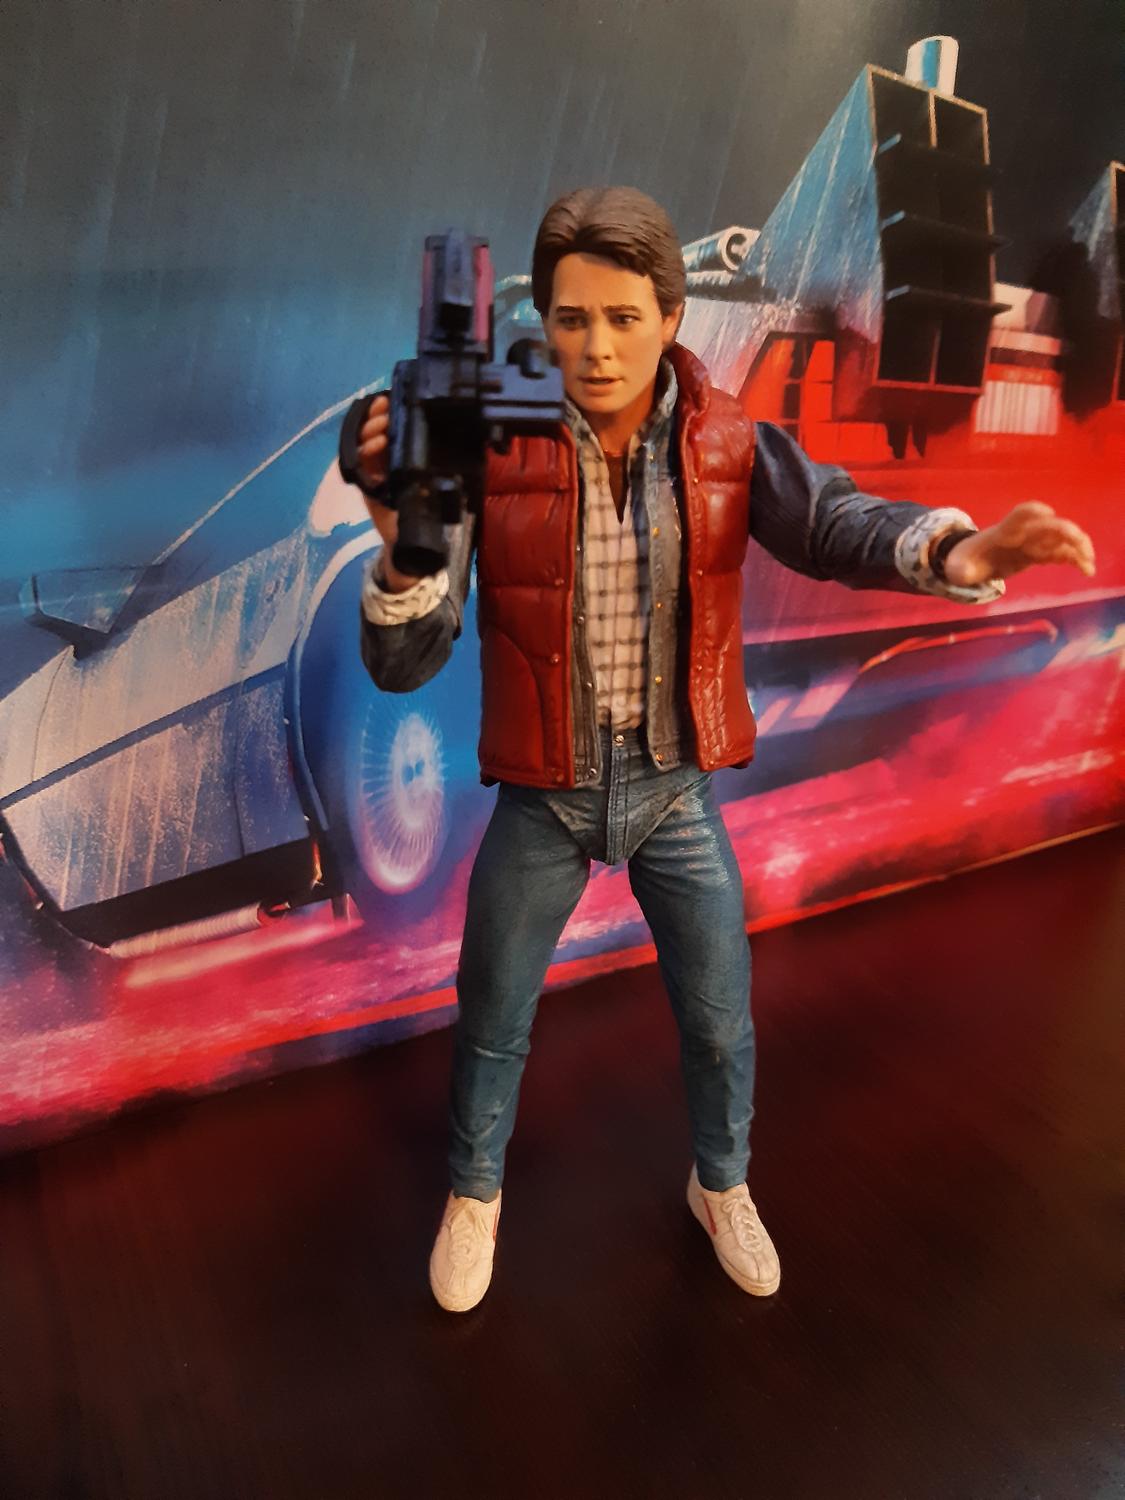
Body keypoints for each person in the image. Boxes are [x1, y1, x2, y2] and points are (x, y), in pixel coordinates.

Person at [347, 187, 1096, 1313]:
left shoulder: (724, 437)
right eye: (571, 319)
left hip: (672, 786)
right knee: (492, 1013)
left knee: (717, 1016)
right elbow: (406, 662)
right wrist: (403, 552)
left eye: (624, 318)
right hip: (544, 792)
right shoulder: (491, 440)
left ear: (671, 316)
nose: (597, 348)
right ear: (541, 321)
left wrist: (961, 549)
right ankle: (473, 1193)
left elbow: (832, 520)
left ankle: (722, 1183)